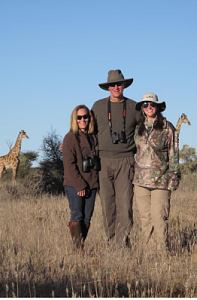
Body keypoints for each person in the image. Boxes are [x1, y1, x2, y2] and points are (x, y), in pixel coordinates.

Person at [91, 69, 139, 248]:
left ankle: (122, 242)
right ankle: (112, 243)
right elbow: (87, 130)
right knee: (107, 205)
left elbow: (146, 130)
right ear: (108, 87)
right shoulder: (98, 106)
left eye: (119, 84)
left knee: (125, 205)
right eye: (113, 85)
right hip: (103, 161)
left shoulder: (134, 106)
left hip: (126, 160)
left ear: (124, 85)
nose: (116, 87)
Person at [133, 93, 181, 252]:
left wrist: (174, 176)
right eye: (145, 104)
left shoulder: (168, 127)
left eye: (152, 104)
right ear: (142, 108)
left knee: (159, 218)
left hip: (161, 180)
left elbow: (174, 153)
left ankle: (162, 253)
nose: (148, 107)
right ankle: (149, 253)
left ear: (158, 106)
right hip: (140, 181)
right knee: (145, 219)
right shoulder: (137, 128)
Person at [62, 105, 99, 253]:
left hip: (92, 183)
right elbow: (69, 165)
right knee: (77, 214)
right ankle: (78, 249)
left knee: (87, 218)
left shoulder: (94, 137)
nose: (83, 120)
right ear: (74, 120)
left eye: (85, 117)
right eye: (79, 117)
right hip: (75, 184)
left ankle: (80, 245)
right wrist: (79, 185)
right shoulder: (70, 137)